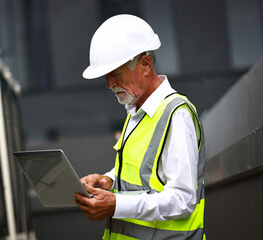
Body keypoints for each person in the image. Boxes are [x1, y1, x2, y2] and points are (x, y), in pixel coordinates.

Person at [74, 14, 205, 240]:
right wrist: (110, 180)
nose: (108, 84)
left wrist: (116, 204)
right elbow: (145, 174)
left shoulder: (177, 115)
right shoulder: (137, 112)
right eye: (106, 76)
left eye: (115, 73)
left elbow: (183, 200)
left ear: (145, 64)